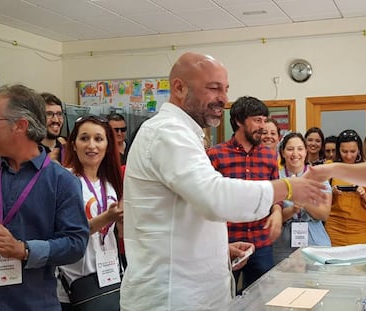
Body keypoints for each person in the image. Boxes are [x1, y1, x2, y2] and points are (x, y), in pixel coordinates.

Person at [120, 51, 328, 311]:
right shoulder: (167, 133)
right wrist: (287, 187)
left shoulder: (186, 134)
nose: (224, 99)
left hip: (195, 289)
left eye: (226, 89)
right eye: (213, 88)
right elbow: (213, 197)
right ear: (179, 87)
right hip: (172, 297)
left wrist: (218, 249)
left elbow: (182, 213)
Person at [0, 84, 89, 310]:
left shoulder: (62, 181)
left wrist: (24, 250)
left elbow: (76, 243)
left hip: (36, 304)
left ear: (20, 126)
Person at [207, 96, 282, 292]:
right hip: (227, 241)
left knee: (262, 298)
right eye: (258, 120)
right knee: (222, 296)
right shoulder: (216, 155)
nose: (263, 126)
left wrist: (277, 212)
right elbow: (208, 198)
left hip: (261, 242)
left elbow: (276, 193)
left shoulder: (270, 155)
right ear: (239, 120)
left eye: (265, 120)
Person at [58, 115, 124, 310]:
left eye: (99, 139)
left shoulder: (111, 183)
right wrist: (107, 218)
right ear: (73, 144)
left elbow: (120, 232)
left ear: (107, 145)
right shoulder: (65, 181)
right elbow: (67, 233)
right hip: (74, 279)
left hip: (109, 274)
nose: (92, 145)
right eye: (84, 138)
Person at [272, 132, 332, 264]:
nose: (295, 154)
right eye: (290, 149)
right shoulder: (276, 178)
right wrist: (293, 209)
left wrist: (304, 202)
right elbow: (274, 216)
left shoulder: (319, 176)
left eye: (300, 149)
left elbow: (324, 214)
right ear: (282, 152)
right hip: (283, 244)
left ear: (305, 151)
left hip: (315, 241)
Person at [325, 129, 366, 246]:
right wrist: (331, 192)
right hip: (333, 228)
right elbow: (318, 200)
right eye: (344, 151)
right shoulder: (329, 168)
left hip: (359, 230)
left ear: (359, 149)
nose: (348, 156)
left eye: (353, 151)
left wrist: (364, 195)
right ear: (338, 150)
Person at [40, 92, 66, 163]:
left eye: (59, 114)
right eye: (49, 114)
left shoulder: (69, 150)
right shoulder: (29, 153)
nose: (56, 120)